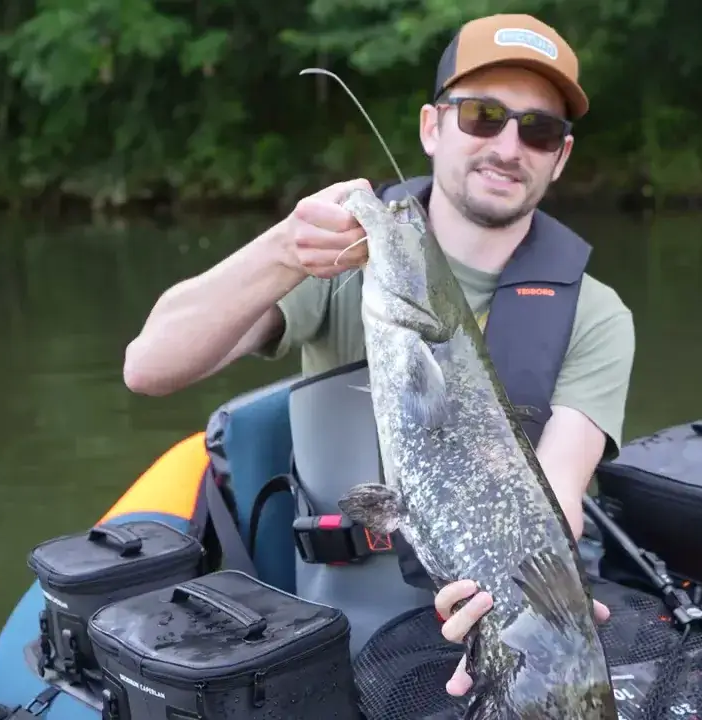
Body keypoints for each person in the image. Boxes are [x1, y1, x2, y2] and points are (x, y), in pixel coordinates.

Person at [122, 12, 634, 699]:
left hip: (488, 604)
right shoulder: (342, 258)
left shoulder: (596, 313)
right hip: (343, 629)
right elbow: (148, 367)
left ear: (560, 156)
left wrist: (529, 609)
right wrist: (281, 249)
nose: (508, 146)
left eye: (538, 130)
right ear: (432, 126)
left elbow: (560, 492)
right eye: (483, 116)